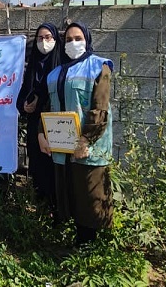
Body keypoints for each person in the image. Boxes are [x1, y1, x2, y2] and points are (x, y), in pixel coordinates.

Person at [38, 21, 114, 245]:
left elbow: (100, 108)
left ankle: (91, 251)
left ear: (87, 40)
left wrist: (85, 140)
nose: (73, 43)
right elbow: (48, 107)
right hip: (62, 147)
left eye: (78, 38)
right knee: (70, 196)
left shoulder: (100, 67)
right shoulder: (55, 74)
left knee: (90, 198)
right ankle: (75, 245)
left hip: (89, 148)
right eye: (68, 40)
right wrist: (41, 134)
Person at [16, 23, 61, 209]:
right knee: (37, 165)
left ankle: (56, 209)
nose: (44, 42)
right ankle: (41, 206)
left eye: (48, 37)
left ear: (56, 39)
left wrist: (41, 100)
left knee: (55, 167)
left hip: (56, 122)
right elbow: (24, 91)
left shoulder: (61, 64)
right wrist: (25, 105)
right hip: (35, 123)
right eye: (41, 38)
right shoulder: (32, 63)